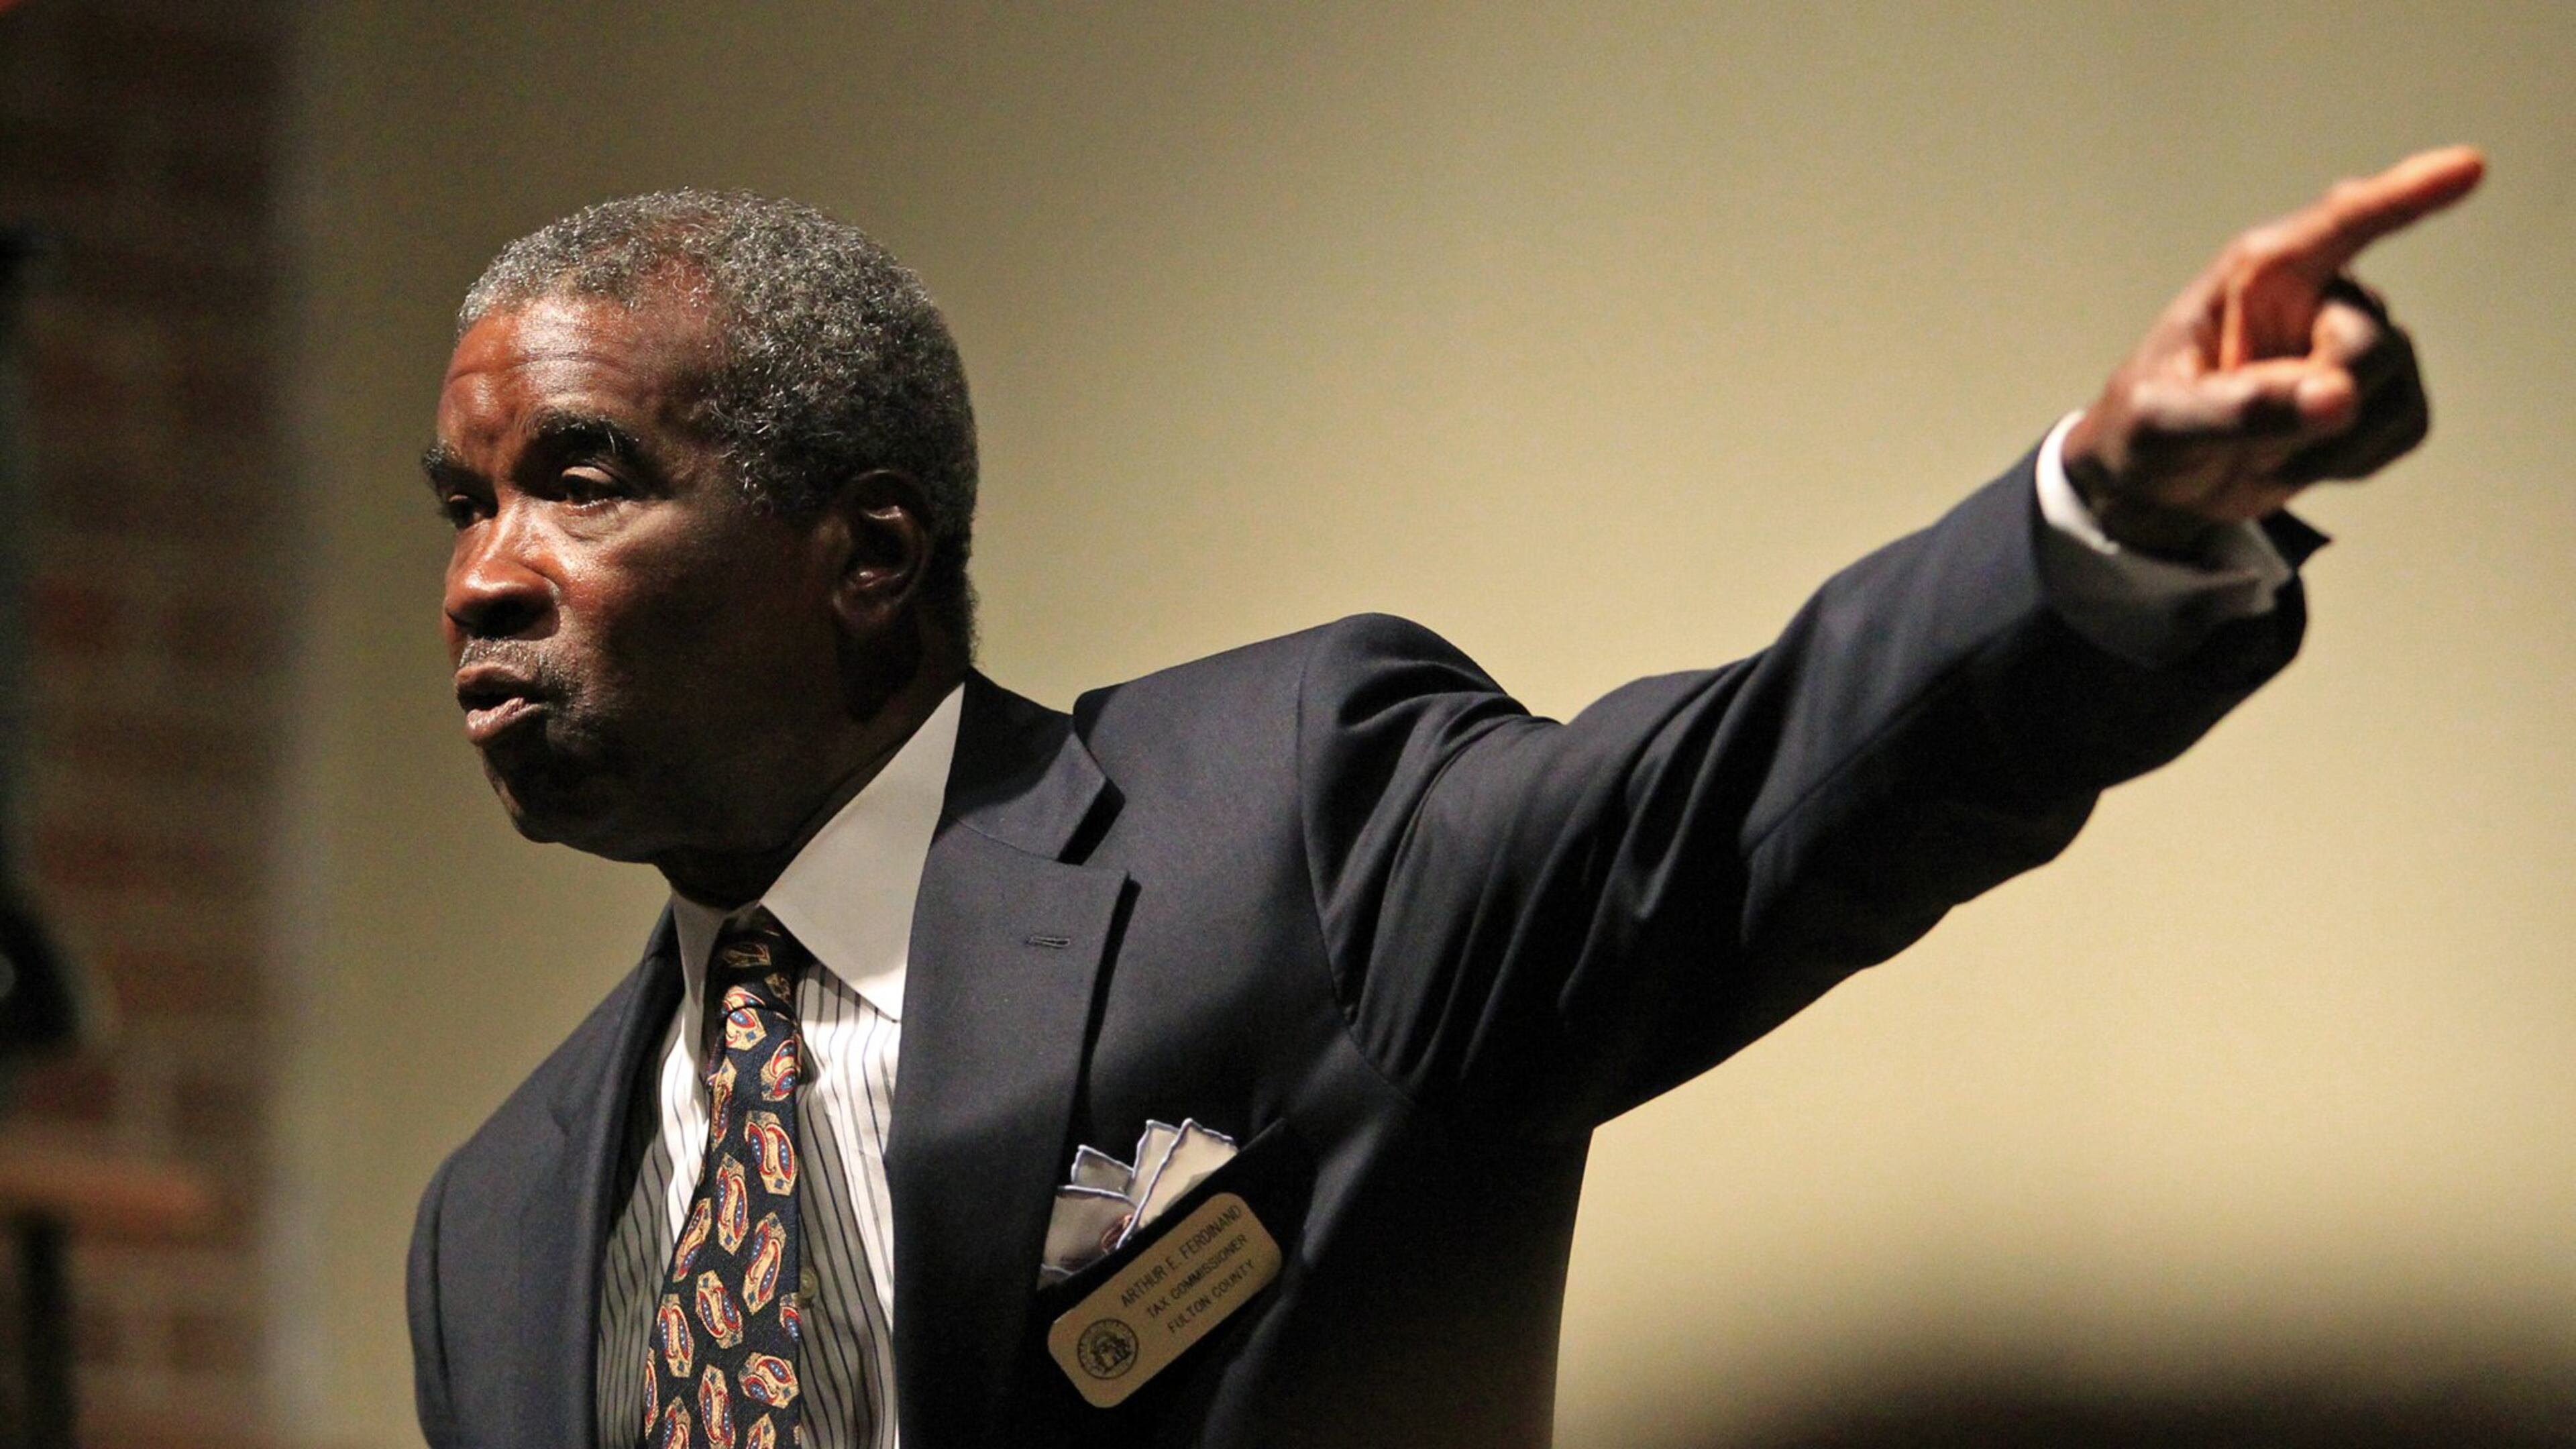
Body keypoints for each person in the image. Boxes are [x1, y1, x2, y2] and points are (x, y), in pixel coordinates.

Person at [405, 149, 2483, 1449]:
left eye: (579, 481)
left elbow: (1740, 803)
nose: (484, 573)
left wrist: (2100, 521)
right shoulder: (495, 1227)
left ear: (865, 554)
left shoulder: (1285, 825)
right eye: (465, 505)